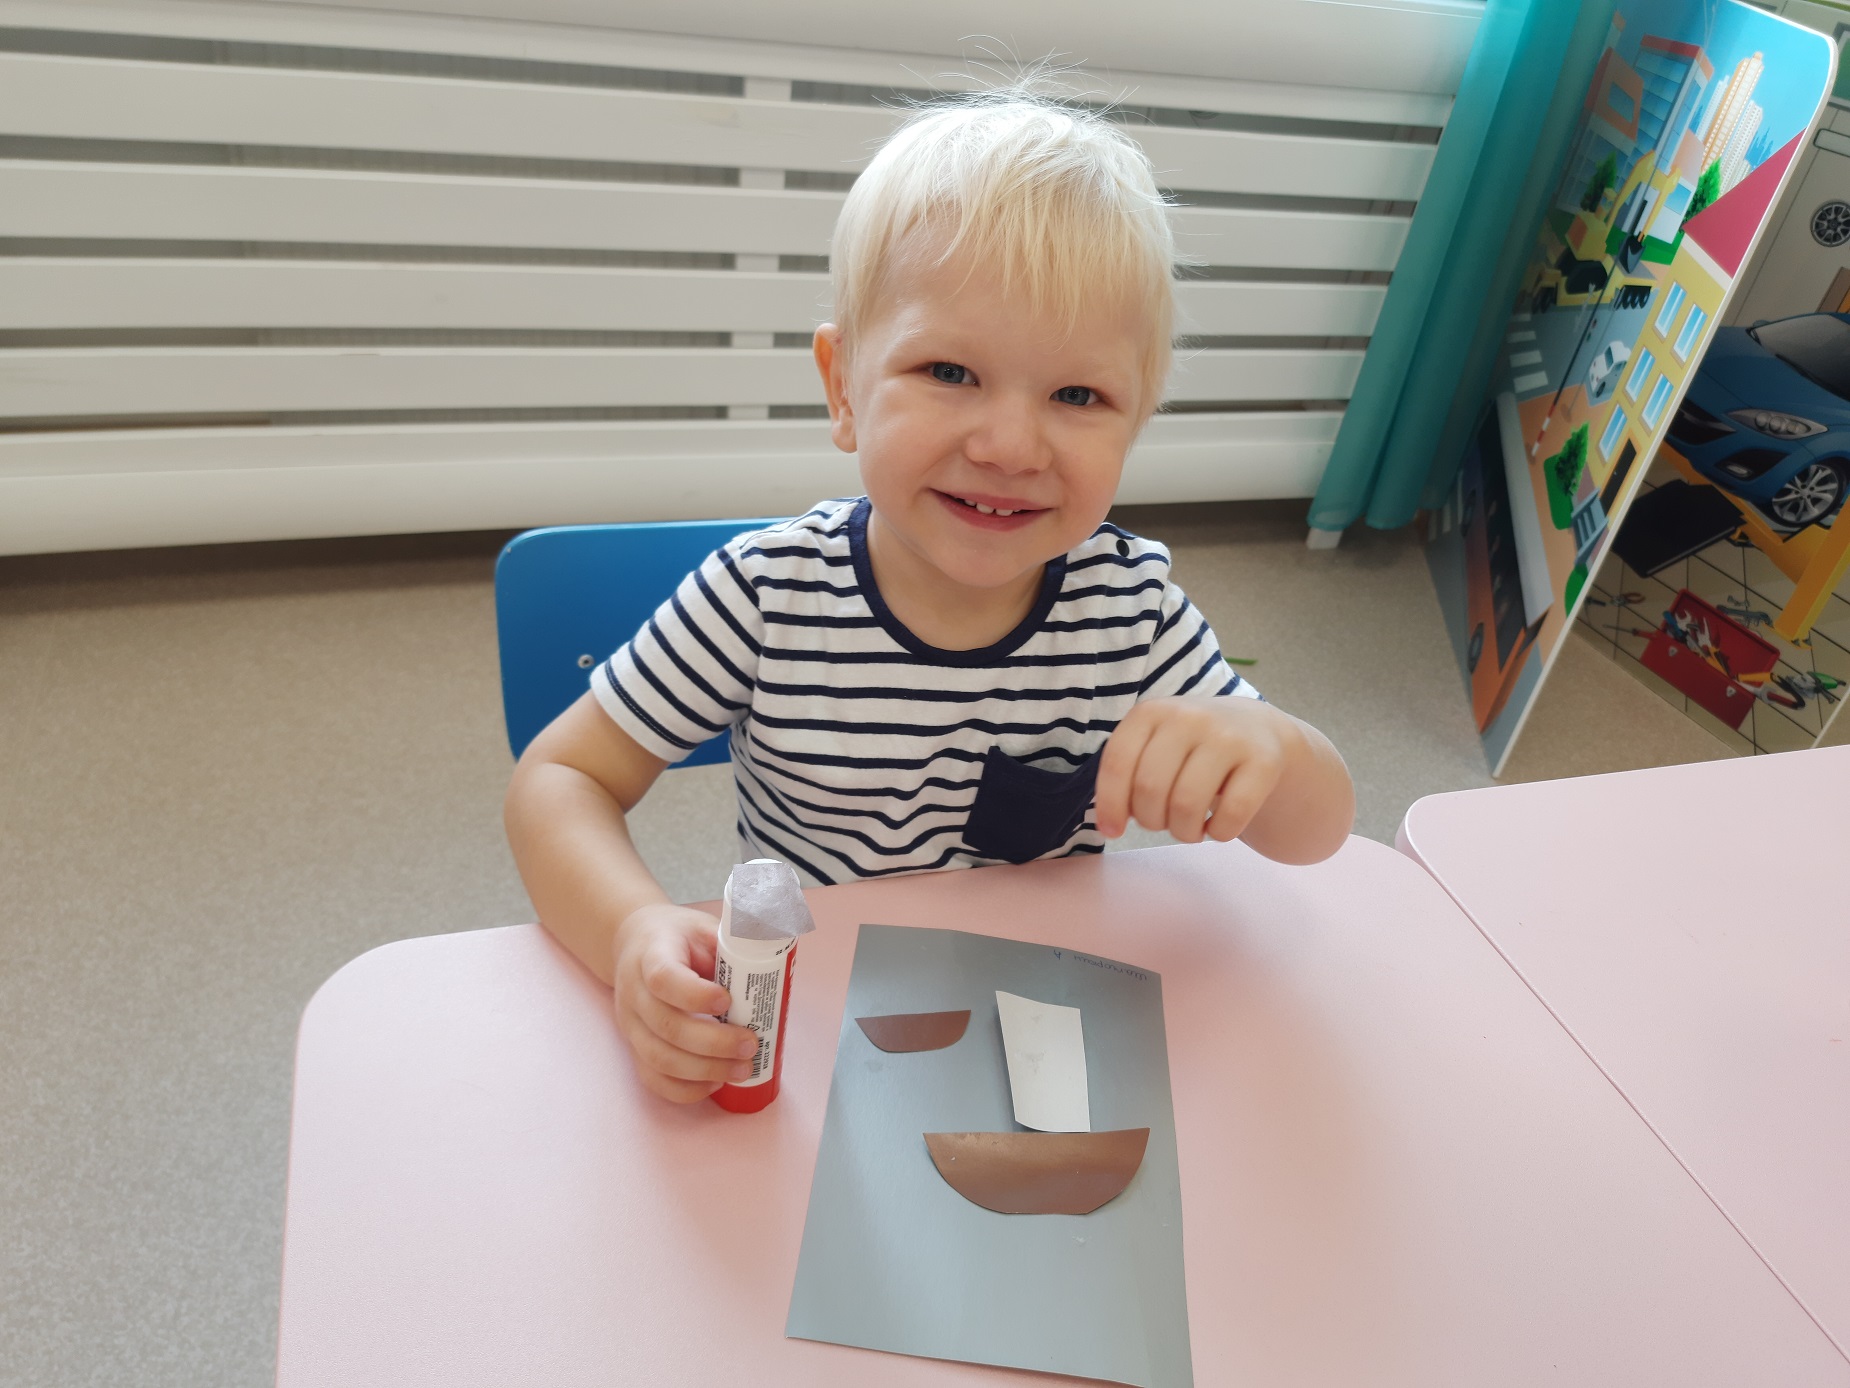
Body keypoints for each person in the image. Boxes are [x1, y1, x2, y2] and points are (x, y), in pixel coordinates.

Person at [504, 87, 1355, 1103]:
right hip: (811, 1032)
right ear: (843, 388)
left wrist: (1273, 751)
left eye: (1077, 394)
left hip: (1039, 1020)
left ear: (1135, 421)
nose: (1009, 446)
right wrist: (629, 929)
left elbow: (1314, 833)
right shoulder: (766, 594)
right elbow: (560, 778)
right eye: (949, 370)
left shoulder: (1126, 610)